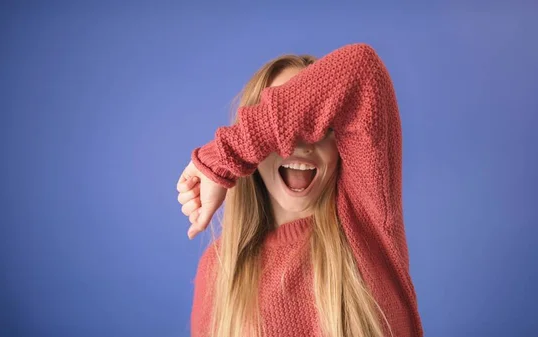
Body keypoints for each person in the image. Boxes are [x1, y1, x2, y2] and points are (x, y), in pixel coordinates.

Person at [176, 43, 423, 337]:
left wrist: (224, 156)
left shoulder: (366, 223)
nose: (301, 143)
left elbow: (362, 67)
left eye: (322, 127)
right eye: (283, 131)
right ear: (257, 152)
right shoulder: (219, 267)